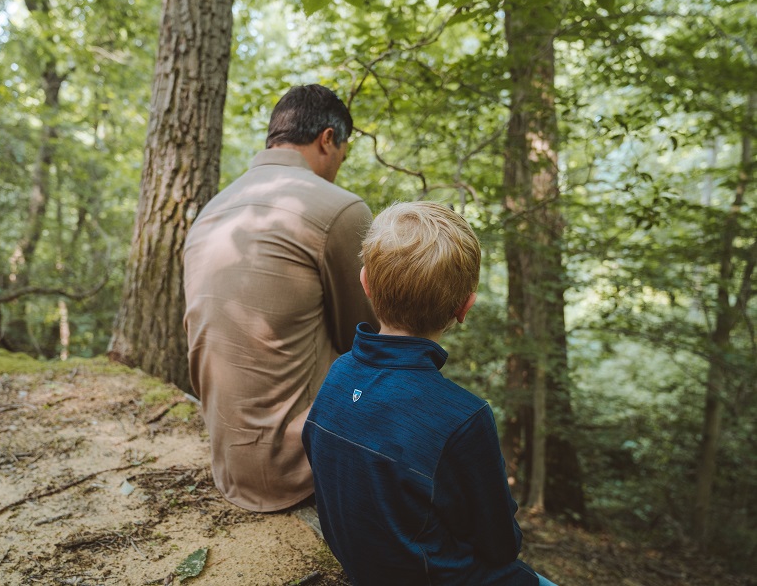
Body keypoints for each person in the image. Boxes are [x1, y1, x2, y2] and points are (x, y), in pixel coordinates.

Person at [302, 202, 557, 585]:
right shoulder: (462, 418)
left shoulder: (338, 375)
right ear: (464, 307)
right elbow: (501, 546)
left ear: (366, 283)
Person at [183, 84, 378, 513]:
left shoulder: (212, 211)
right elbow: (366, 340)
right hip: (297, 470)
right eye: (342, 154)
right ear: (328, 139)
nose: (338, 169)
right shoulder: (339, 208)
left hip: (228, 463)